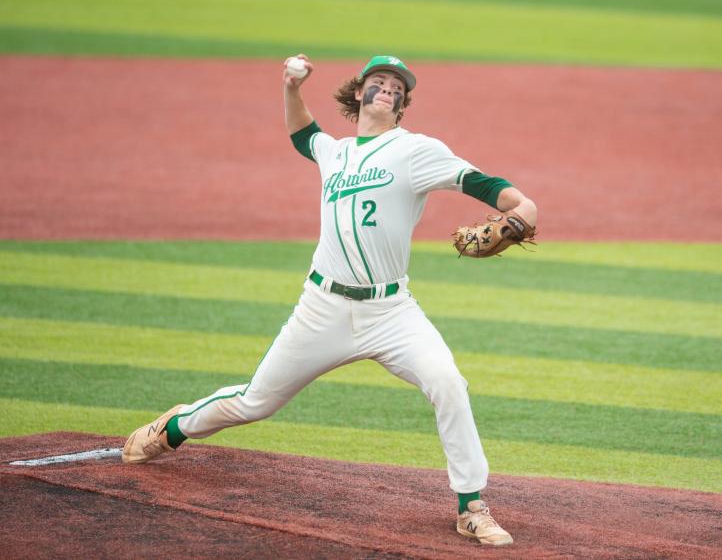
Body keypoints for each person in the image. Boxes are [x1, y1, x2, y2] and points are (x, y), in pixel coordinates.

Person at [122, 54, 538, 547]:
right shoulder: (335, 153)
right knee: (255, 403)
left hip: (391, 312)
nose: (389, 88)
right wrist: (291, 87)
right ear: (358, 92)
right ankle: (176, 425)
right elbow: (304, 135)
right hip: (322, 309)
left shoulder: (416, 150)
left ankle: (472, 506)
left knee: (448, 382)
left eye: (397, 86)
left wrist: (523, 209)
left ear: (403, 103)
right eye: (379, 81)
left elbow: (492, 188)